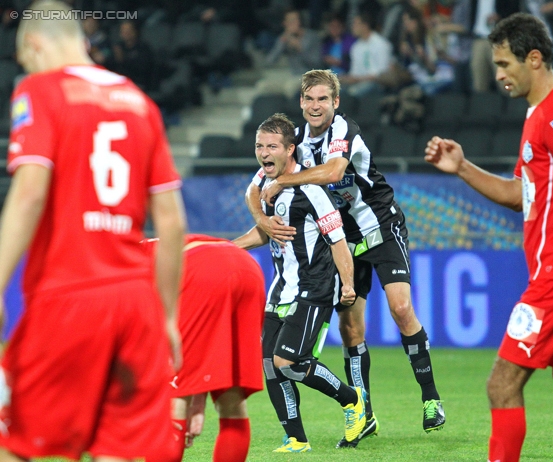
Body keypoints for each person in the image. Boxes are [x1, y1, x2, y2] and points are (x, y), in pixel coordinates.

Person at [424, 13, 553, 462]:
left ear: (534, 59)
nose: (498, 74)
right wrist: (463, 168)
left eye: (505, 63)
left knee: (502, 384)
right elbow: (519, 196)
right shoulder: (541, 114)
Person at [0, 1, 186, 460]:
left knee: (15, 443)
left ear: (35, 43)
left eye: (28, 58)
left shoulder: (39, 89)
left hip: (68, 298)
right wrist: (165, 316)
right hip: (135, 306)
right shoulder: (141, 104)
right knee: (116, 451)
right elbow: (173, 222)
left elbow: (29, 194)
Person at [246, 69, 446, 448]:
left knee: (401, 309)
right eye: (309, 99)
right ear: (301, 103)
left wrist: (286, 181)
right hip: (342, 234)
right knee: (351, 330)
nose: (316, 106)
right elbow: (252, 189)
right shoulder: (294, 143)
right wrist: (262, 220)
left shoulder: (343, 130)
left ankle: (431, 397)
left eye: (323, 99)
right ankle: (364, 413)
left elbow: (336, 171)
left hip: (380, 224)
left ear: (336, 102)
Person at [235, 113, 367, 453]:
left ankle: (352, 400)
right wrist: (226, 248)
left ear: (290, 149)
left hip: (315, 287)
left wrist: (348, 285)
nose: (264, 152)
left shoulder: (311, 190)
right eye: (259, 146)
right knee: (269, 364)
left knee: (289, 362)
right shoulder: (267, 185)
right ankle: (296, 438)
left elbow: (337, 240)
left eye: (272, 146)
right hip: (281, 288)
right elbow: (265, 234)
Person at [142, 234, 266, 462]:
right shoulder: (148, 247)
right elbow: (203, 356)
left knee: (173, 399)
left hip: (200, 270)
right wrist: (198, 398)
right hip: (247, 267)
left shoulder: (120, 265)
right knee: (232, 399)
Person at [340, 11, 393, 97]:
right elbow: (354, 73)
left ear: (365, 26)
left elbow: (382, 74)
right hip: (359, 82)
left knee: (353, 92)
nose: (352, 27)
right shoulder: (356, 47)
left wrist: (358, 79)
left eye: (355, 24)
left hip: (378, 84)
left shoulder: (381, 44)